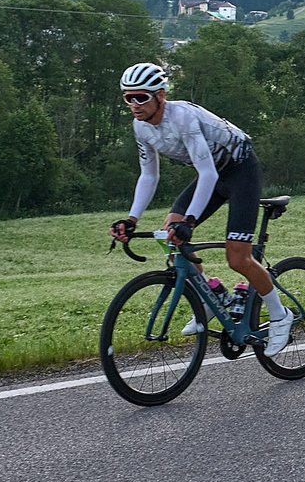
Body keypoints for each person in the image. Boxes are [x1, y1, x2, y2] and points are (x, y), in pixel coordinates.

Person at [111, 62, 293, 353]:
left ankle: (280, 315)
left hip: (240, 171)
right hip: (214, 173)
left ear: (160, 95)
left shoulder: (182, 117)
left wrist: (190, 221)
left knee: (238, 258)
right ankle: (215, 296)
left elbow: (207, 173)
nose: (134, 104)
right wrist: (132, 219)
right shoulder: (140, 127)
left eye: (141, 97)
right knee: (169, 236)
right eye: (128, 98)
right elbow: (149, 176)